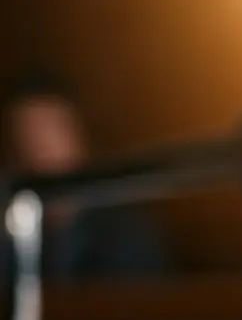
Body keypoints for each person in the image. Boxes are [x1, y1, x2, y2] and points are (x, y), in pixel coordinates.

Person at [1, 73, 169, 280]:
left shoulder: (125, 233)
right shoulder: (10, 233)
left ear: (80, 138)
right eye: (26, 135)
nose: (39, 151)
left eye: (51, 132)